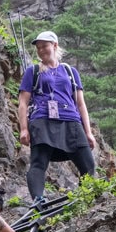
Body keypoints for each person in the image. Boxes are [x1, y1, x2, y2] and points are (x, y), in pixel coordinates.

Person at [18, 31, 96, 211]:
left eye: (44, 46)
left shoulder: (70, 71)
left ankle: (86, 201)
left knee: (88, 164)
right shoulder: (33, 71)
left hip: (71, 121)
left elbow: (81, 104)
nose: (41, 50)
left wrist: (88, 132)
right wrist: (24, 129)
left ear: (54, 45)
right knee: (38, 162)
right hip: (42, 119)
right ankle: (39, 202)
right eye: (38, 48)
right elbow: (23, 102)